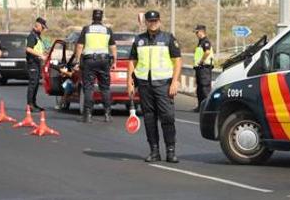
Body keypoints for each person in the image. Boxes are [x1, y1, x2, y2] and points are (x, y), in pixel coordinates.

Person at [127, 10, 182, 163]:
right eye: (150, 21)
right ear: (146, 22)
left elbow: (177, 61)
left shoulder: (168, 38)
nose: (153, 23)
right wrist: (129, 83)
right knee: (149, 119)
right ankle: (154, 151)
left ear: (159, 21)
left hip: (163, 85)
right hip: (145, 85)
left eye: (155, 21)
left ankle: (171, 151)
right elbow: (132, 62)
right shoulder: (139, 40)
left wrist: (174, 82)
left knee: (167, 118)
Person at [74, 9, 117, 123]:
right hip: (104, 61)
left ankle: (88, 115)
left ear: (93, 17)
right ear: (101, 18)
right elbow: (113, 47)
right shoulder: (107, 30)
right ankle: (107, 115)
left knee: (88, 88)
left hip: (89, 61)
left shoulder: (87, 29)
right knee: (105, 88)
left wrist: (78, 61)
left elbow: (79, 46)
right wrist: (114, 62)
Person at [25, 17, 48, 112]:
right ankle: (29, 105)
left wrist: (45, 53)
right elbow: (28, 49)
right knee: (33, 84)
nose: (43, 29)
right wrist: (41, 55)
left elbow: (38, 48)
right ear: (38, 25)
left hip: (37, 63)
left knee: (36, 84)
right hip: (32, 63)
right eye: (42, 27)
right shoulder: (32, 36)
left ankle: (34, 103)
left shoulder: (38, 36)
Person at [192, 24, 214, 112]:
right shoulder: (200, 42)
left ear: (201, 32)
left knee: (205, 88)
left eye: (197, 32)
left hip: (204, 68)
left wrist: (201, 61)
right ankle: (200, 107)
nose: (196, 34)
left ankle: (208, 108)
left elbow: (207, 52)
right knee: (200, 89)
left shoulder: (205, 41)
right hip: (200, 68)